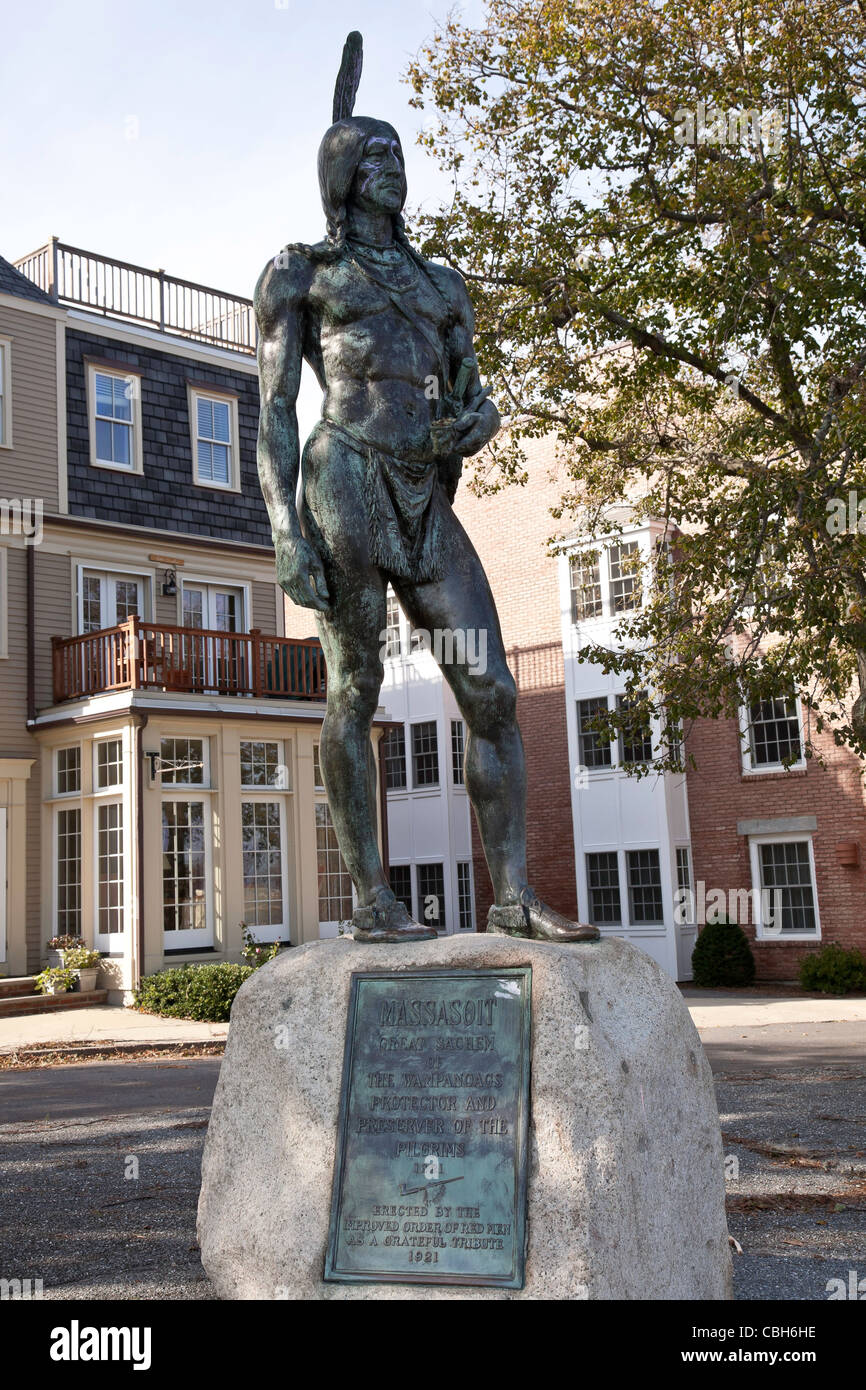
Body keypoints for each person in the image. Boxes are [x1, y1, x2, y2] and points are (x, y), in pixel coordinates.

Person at [255, 36, 599, 945]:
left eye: (400, 154)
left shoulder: (445, 286)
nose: (392, 168)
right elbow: (276, 413)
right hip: (345, 479)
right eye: (373, 155)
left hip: (424, 493)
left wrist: (476, 427)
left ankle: (513, 896)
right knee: (355, 684)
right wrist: (285, 531)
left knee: (489, 688)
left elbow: (469, 399)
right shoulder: (304, 274)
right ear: (340, 172)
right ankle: (372, 900)